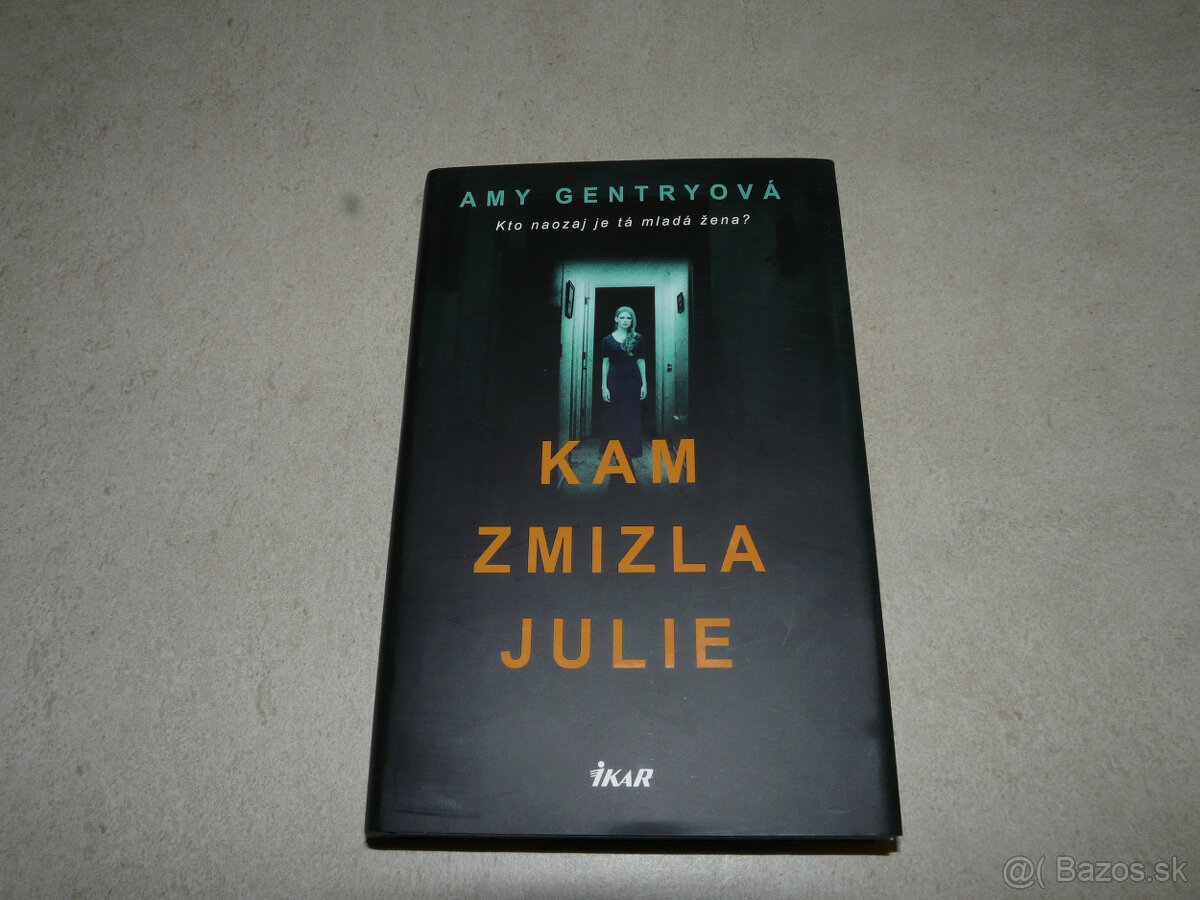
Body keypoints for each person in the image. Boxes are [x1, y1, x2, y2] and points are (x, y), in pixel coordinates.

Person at [600, 306, 647, 458]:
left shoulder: (638, 338)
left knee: (631, 415)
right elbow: (605, 363)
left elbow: (641, 361)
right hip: (614, 381)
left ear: (632, 320)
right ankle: (615, 451)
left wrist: (644, 384)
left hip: (633, 381)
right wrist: (604, 386)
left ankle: (630, 451)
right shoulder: (607, 340)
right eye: (622, 318)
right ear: (616, 319)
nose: (625, 321)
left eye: (628, 318)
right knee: (614, 416)